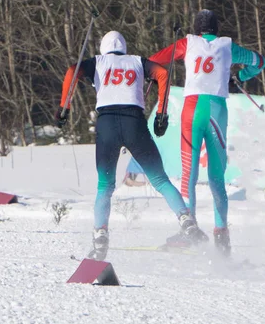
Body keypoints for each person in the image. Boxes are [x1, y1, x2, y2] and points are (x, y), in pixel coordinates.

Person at [55, 30, 207, 261]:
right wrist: (161, 115)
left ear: (103, 48)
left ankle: (100, 239)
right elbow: (162, 74)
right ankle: (186, 221)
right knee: (160, 180)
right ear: (124, 48)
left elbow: (71, 71)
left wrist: (64, 107)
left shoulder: (97, 62)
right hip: (134, 124)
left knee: (104, 186)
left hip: (107, 126)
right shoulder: (137, 61)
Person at [149, 9, 265, 256]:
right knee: (216, 177)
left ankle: (189, 232)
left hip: (192, 111)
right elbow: (260, 62)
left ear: (197, 28)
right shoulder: (228, 46)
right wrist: (241, 76)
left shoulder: (188, 42)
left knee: (188, 173)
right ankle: (222, 236)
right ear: (217, 28)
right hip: (217, 111)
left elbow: (155, 60)